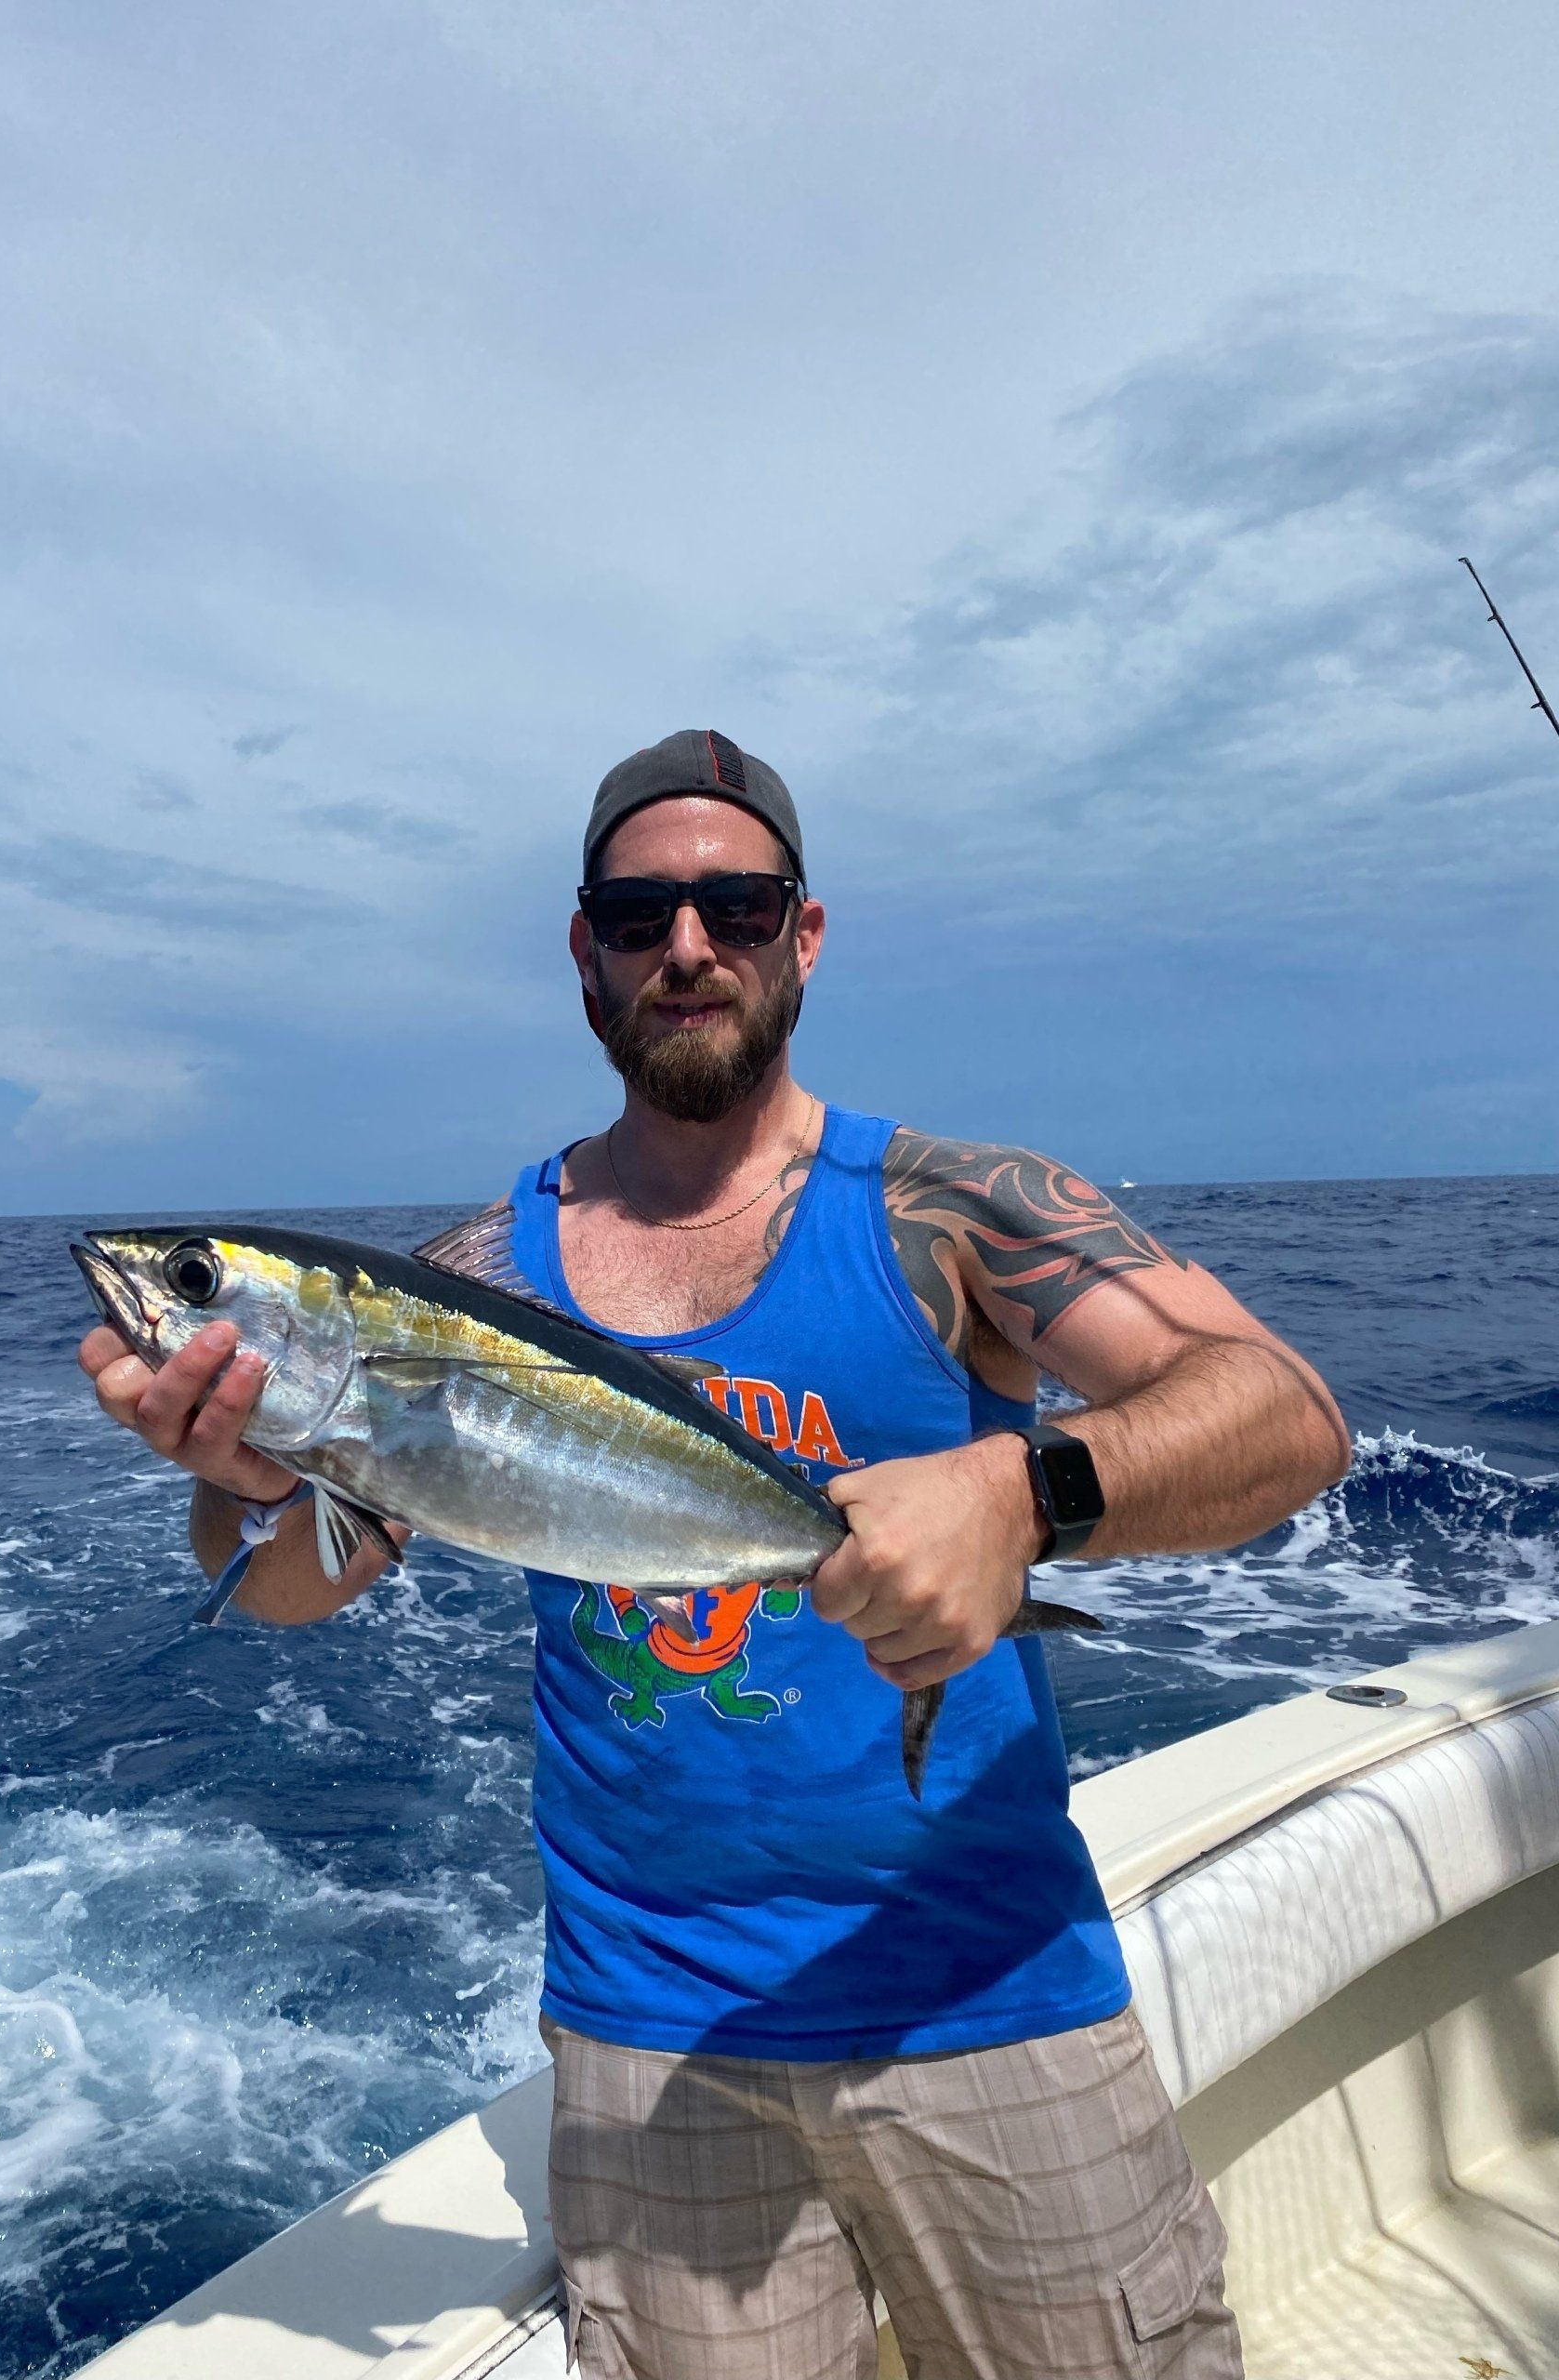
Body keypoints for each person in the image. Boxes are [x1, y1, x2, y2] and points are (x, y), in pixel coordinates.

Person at [80, 729, 1350, 2380]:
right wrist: (246, 1477)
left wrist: (1017, 1493)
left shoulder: (953, 1207)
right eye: (638, 912)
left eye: (735, 908)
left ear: (801, 936)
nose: (687, 947)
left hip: (992, 1995)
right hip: (646, 2033)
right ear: (585, 950)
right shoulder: (476, 1278)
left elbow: (1286, 1410)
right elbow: (288, 1586)